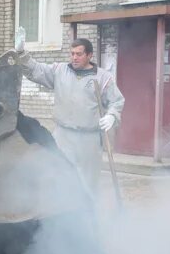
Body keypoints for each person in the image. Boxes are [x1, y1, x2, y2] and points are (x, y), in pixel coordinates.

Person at [14, 31, 124, 195]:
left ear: (89, 55)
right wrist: (22, 54)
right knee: (58, 176)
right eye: (72, 54)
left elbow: (117, 101)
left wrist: (112, 116)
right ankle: (59, 217)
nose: (74, 57)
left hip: (89, 139)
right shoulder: (59, 71)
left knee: (87, 183)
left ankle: (86, 218)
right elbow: (36, 70)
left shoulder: (102, 78)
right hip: (62, 136)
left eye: (79, 54)